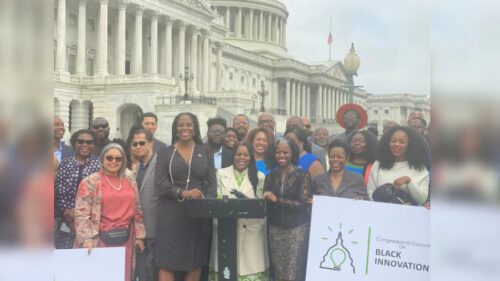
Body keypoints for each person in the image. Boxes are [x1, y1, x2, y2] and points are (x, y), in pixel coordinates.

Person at [155, 112, 216, 281]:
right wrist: (182, 192)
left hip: (198, 212)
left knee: (194, 258)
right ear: (175, 128)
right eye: (181, 124)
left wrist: (206, 204)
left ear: (195, 128)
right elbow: (160, 184)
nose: (185, 128)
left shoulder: (205, 151)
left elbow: (212, 182)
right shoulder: (165, 153)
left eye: (189, 124)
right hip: (171, 212)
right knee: (168, 259)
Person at [75, 143, 146, 281]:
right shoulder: (90, 181)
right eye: (109, 158)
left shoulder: (130, 178)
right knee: (101, 276)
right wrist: (87, 239)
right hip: (99, 239)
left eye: (118, 159)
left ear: (123, 160)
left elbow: (137, 208)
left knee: (123, 275)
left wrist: (139, 235)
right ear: (102, 159)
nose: (113, 161)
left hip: (126, 239)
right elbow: (81, 213)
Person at [209, 142, 269, 281]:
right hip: (226, 230)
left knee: (250, 269)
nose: (242, 158)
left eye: (246, 155)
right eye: (238, 154)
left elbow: (260, 204)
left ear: (251, 157)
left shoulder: (259, 176)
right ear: (233, 155)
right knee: (225, 272)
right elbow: (217, 199)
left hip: (252, 231)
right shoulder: (220, 174)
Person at [263, 138, 312, 281]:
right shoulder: (270, 176)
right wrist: (265, 197)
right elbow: (267, 202)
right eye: (278, 152)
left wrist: (277, 199)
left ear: (293, 154)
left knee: (293, 272)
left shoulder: (302, 175)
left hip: (296, 230)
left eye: (286, 152)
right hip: (275, 229)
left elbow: (303, 204)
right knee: (279, 272)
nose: (281, 155)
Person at [55, 129, 100, 249]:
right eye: (80, 141)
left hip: (92, 222)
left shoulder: (100, 164)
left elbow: (100, 195)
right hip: (67, 221)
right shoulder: (65, 163)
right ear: (74, 143)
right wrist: (70, 219)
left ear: (94, 144)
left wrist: (82, 217)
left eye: (89, 142)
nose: (85, 145)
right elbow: (60, 192)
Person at [367, 126, 430, 206]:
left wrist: (408, 181)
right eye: (393, 141)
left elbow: (422, 199)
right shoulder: (378, 164)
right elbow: (370, 192)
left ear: (411, 145)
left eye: (402, 142)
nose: (396, 144)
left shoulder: (421, 169)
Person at [130, 129, 159, 281]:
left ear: (151, 143)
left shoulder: (161, 163)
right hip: (137, 232)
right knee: (141, 273)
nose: (138, 146)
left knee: (152, 274)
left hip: (156, 230)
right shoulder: (134, 168)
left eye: (142, 143)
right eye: (135, 144)